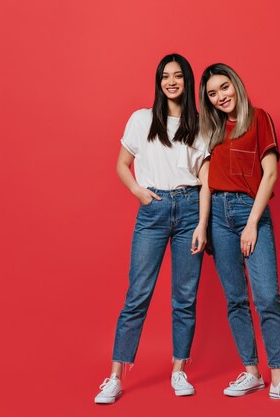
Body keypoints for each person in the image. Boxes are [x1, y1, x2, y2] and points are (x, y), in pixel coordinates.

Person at [94, 54, 210, 404]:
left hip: (190, 208)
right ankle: (114, 376)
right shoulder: (142, 119)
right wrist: (139, 193)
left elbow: (206, 180)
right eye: (165, 76)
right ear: (158, 82)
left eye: (177, 76)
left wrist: (203, 224)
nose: (171, 81)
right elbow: (122, 163)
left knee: (184, 296)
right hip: (154, 208)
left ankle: (178, 370)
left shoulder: (201, 124)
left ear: (188, 82)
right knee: (138, 293)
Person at [198, 63, 280, 404]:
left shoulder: (259, 118)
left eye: (224, 87)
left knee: (267, 298)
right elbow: (205, 182)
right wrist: (202, 226)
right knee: (235, 299)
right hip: (217, 216)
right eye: (212, 94)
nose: (221, 97)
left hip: (251, 213)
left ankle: (278, 381)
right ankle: (252, 374)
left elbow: (271, 174)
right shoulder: (212, 130)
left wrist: (251, 223)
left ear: (236, 83)